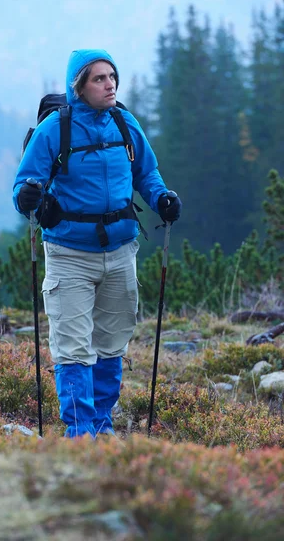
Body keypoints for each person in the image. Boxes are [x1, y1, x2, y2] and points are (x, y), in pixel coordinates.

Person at [12, 49, 182, 438]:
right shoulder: (54, 129)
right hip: (68, 254)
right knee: (73, 347)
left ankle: (101, 428)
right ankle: (80, 434)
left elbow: (147, 173)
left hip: (122, 252)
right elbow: (24, 183)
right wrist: (27, 198)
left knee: (110, 344)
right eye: (100, 79)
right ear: (79, 87)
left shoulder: (124, 123)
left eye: (112, 77)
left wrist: (161, 199)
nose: (110, 85)